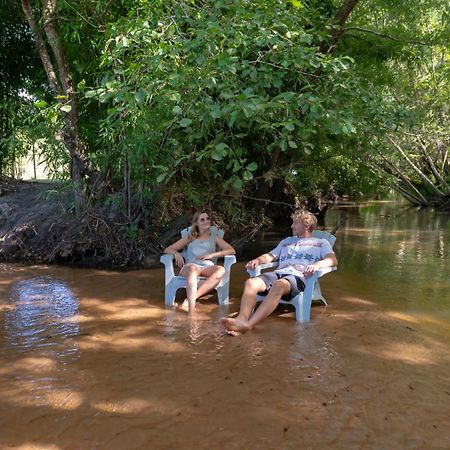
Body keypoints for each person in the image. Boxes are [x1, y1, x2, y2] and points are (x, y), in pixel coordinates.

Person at [221, 210, 338, 335]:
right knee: (251, 283)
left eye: (295, 223)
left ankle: (249, 325)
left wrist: (316, 265)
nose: (292, 226)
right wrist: (258, 260)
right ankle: (242, 320)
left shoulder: (321, 243)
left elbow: (332, 260)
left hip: (299, 276)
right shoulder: (287, 241)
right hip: (278, 273)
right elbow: (271, 256)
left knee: (279, 285)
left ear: (307, 226)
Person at [164, 211, 235, 313]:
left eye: (207, 219)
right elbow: (168, 249)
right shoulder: (190, 238)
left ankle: (190, 299)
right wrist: (176, 254)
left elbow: (231, 250)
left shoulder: (214, 238)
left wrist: (212, 255)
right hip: (190, 267)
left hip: (207, 267)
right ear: (196, 223)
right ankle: (191, 312)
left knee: (221, 270)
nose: (206, 221)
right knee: (193, 269)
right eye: (202, 219)